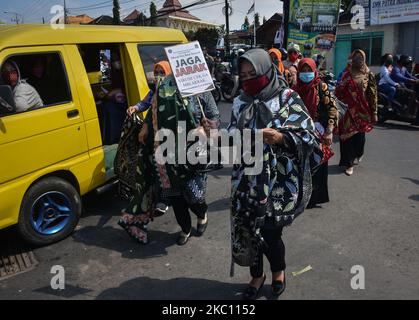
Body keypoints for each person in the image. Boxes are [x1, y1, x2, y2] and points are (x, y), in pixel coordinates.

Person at [227, 49, 322, 300]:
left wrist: (280, 137)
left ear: (267, 71)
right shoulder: (240, 101)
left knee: (270, 232)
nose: (248, 80)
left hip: (277, 182)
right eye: (243, 75)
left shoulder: (287, 98)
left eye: (253, 74)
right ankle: (257, 275)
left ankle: (278, 271)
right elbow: (230, 137)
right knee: (249, 230)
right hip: (246, 179)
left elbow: (308, 135)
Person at [119, 72, 220, 246]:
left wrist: (207, 129)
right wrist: (145, 126)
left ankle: (202, 215)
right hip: (168, 152)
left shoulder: (199, 88)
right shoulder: (163, 88)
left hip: (195, 152)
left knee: (195, 196)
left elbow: (214, 116)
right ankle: (185, 228)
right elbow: (153, 111)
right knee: (176, 197)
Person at [126, 61, 173, 216]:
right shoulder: (154, 90)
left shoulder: (174, 90)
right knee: (158, 167)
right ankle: (162, 200)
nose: (159, 76)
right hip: (155, 135)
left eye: (162, 72)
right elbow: (145, 103)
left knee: (169, 168)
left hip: (171, 135)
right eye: (157, 72)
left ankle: (168, 199)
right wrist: (136, 108)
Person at [293, 58, 338, 208]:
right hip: (299, 134)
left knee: (318, 165)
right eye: (303, 71)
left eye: (309, 70)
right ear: (298, 72)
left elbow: (333, 108)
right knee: (301, 165)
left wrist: (330, 131)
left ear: (314, 71)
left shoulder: (321, 87)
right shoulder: (293, 90)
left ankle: (314, 198)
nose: (306, 74)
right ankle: (300, 197)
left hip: (319, 133)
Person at [335, 49, 378, 176]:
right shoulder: (346, 74)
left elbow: (372, 94)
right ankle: (349, 164)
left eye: (361, 58)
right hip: (347, 112)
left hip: (363, 112)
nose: (359, 60)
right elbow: (338, 92)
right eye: (356, 58)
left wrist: (374, 112)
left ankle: (358, 153)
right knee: (347, 137)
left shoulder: (369, 75)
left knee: (360, 139)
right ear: (352, 60)